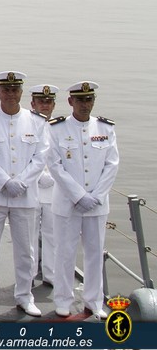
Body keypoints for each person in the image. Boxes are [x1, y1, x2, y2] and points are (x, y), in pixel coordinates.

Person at [0, 71, 48, 317]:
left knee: (26, 250)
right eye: (6, 90)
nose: (11, 95)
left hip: (25, 196)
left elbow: (40, 157)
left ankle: (25, 296)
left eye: (15, 90)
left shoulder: (37, 121)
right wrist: (5, 182)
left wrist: (22, 182)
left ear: (21, 93)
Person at [47, 81, 119, 319]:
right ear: (70, 102)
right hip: (68, 204)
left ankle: (94, 301)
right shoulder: (57, 129)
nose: (85, 104)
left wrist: (96, 196)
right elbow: (55, 166)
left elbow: (112, 165)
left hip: (97, 205)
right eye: (80, 100)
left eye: (89, 100)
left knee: (95, 254)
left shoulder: (105, 128)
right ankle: (63, 299)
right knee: (64, 253)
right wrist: (78, 196)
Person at [29, 83, 59, 287]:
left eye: (48, 102)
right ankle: (28, 275)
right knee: (28, 237)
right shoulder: (26, 126)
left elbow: (67, 159)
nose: (45, 105)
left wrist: (53, 177)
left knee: (52, 235)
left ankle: (51, 274)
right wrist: (38, 175)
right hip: (31, 188)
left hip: (54, 191)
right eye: (41, 101)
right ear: (33, 103)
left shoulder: (60, 128)